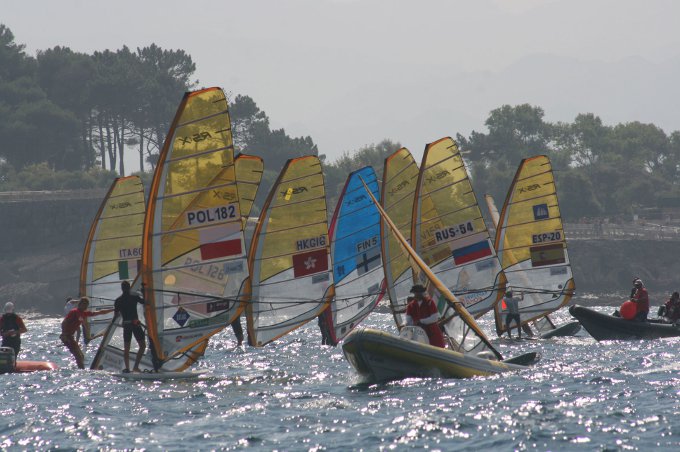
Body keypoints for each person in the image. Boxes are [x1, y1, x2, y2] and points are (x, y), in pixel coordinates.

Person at [61, 297, 113, 369]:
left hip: (70, 337)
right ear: (80, 304)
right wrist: (64, 334)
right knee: (78, 356)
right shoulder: (74, 311)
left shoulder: (84, 313)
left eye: (86, 305)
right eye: (84, 304)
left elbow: (100, 312)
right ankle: (81, 371)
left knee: (81, 356)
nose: (85, 306)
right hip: (66, 336)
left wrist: (113, 310)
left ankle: (80, 369)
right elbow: (64, 322)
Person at [114, 281, 146, 373]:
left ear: (121, 288)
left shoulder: (118, 300)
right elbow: (144, 302)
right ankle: (135, 366)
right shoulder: (134, 297)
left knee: (127, 348)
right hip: (135, 324)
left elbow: (116, 316)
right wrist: (144, 292)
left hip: (127, 325)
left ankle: (127, 368)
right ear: (129, 288)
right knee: (142, 346)